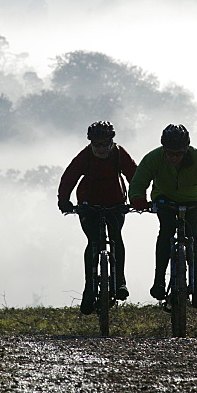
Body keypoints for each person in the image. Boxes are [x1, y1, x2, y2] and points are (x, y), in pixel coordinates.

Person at [129, 123, 197, 309]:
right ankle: (159, 280)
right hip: (164, 201)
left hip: (193, 202)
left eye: (178, 154)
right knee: (166, 233)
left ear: (186, 149)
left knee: (193, 239)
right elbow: (139, 180)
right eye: (170, 153)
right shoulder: (153, 158)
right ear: (163, 149)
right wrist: (137, 198)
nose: (174, 157)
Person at [58, 120, 137, 315]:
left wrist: (137, 198)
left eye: (105, 144)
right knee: (93, 241)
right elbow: (69, 177)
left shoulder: (119, 153)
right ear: (91, 143)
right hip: (88, 202)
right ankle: (89, 289)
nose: (101, 148)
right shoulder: (85, 156)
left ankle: (120, 281)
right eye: (97, 144)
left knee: (116, 237)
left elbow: (134, 175)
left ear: (112, 142)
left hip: (115, 202)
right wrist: (64, 200)